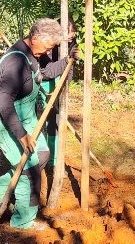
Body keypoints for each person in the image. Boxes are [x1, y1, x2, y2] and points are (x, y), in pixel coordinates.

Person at [0, 18, 76, 230]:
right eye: (48, 46)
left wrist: (69, 59)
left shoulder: (33, 54)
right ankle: (23, 221)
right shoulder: (15, 63)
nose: (48, 52)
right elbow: (4, 105)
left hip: (24, 113)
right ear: (34, 38)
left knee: (42, 155)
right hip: (4, 117)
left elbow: (47, 73)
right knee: (29, 170)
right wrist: (22, 135)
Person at [38, 20, 78, 176]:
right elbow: (46, 72)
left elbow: (70, 69)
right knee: (37, 122)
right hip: (42, 86)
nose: (70, 39)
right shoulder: (47, 45)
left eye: (72, 37)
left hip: (59, 86)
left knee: (55, 122)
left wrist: (65, 84)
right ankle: (35, 159)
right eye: (68, 37)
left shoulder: (72, 44)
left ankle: (54, 162)